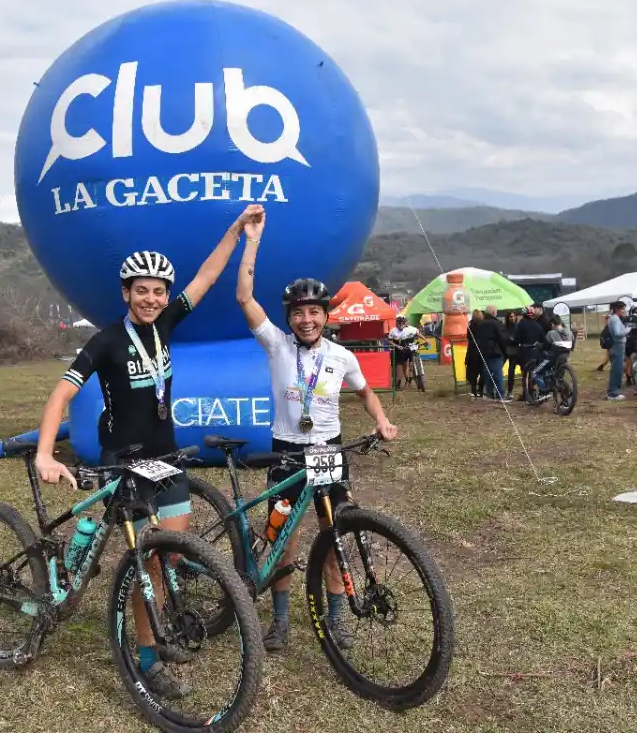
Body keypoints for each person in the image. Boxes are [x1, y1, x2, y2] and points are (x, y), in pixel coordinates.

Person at [31, 204, 262, 699]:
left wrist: (236, 231)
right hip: (122, 458)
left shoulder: (167, 324)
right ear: (126, 294)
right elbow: (62, 394)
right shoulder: (107, 341)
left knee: (167, 558)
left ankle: (151, 627)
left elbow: (206, 274)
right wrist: (46, 454)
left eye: (159, 291)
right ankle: (147, 655)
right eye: (142, 291)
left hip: (166, 456)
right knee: (144, 560)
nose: (152, 299)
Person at [235, 208, 398, 653]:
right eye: (298, 313)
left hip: (328, 452)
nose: (306, 319)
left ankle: (337, 618)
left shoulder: (342, 356)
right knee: (283, 538)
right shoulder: (276, 343)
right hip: (287, 451)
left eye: (314, 312)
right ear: (289, 317)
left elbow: (365, 393)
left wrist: (380, 420)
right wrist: (252, 241)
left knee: (334, 536)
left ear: (325, 315)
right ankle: (282, 620)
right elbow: (245, 298)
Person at [512, 307, 545, 401]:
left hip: (525, 352)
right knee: (534, 373)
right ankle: (533, 391)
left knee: (525, 374)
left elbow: (516, 339)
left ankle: (526, 394)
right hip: (536, 352)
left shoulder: (521, 324)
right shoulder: (537, 325)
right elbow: (542, 339)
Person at [476, 305, 508, 400]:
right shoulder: (496, 324)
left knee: (487, 374)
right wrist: (505, 351)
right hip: (495, 352)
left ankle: (489, 393)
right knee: (498, 375)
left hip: (484, 352)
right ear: (494, 312)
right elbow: (502, 339)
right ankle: (500, 395)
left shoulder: (480, 324)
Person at [604, 300, 628, 401]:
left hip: (617, 346)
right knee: (616, 370)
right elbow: (618, 333)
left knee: (617, 369)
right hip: (617, 346)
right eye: (623, 309)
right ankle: (613, 393)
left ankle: (614, 391)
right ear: (617, 309)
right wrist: (628, 329)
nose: (624, 311)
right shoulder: (615, 319)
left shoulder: (614, 319)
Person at [387, 314, 420, 388]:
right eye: (399, 323)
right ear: (396, 323)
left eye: (402, 322)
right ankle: (398, 382)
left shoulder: (408, 329)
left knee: (407, 366)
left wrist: (422, 340)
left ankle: (408, 382)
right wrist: (396, 346)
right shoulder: (393, 330)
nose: (400, 324)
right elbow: (389, 340)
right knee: (398, 367)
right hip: (397, 350)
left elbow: (416, 335)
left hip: (407, 349)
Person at [464, 309, 485, 399]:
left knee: (473, 372)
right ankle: (480, 389)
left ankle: (473, 389)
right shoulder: (483, 325)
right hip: (482, 350)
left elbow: (468, 337)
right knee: (482, 371)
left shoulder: (470, 325)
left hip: (472, 351)